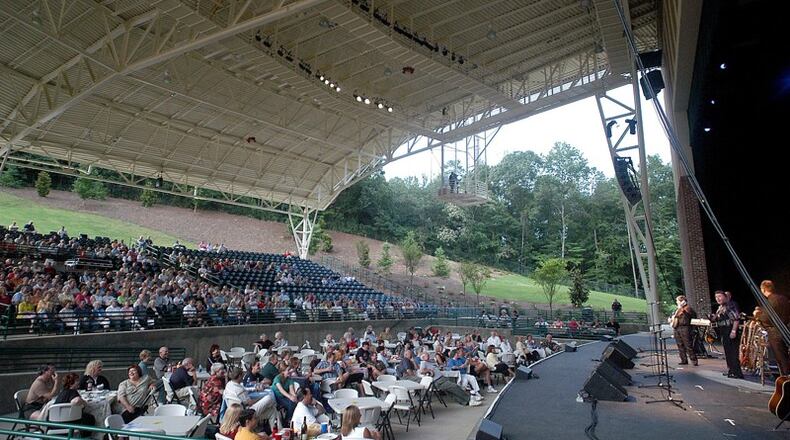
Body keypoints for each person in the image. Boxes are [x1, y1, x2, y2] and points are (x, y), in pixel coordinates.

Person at [758, 280, 790, 376]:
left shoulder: (770, 301)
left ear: (763, 290)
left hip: (775, 332)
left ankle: (785, 378)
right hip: (786, 329)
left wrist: (758, 315)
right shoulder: (783, 298)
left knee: (781, 358)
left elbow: (766, 318)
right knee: (786, 356)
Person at [712, 290, 743, 378]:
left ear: (725, 297)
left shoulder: (730, 305)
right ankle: (731, 370)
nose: (718, 299)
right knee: (728, 352)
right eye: (716, 297)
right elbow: (716, 318)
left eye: (720, 296)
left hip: (729, 329)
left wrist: (733, 331)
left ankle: (737, 372)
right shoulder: (721, 307)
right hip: (723, 331)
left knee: (733, 352)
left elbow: (736, 319)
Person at [670, 295, 698, 366]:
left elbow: (693, 315)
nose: (676, 302)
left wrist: (683, 309)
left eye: (677, 300)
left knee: (688, 344)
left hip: (685, 327)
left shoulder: (687, 308)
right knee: (680, 345)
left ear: (682, 301)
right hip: (677, 327)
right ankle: (683, 360)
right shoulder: (678, 309)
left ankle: (694, 360)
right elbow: (675, 317)